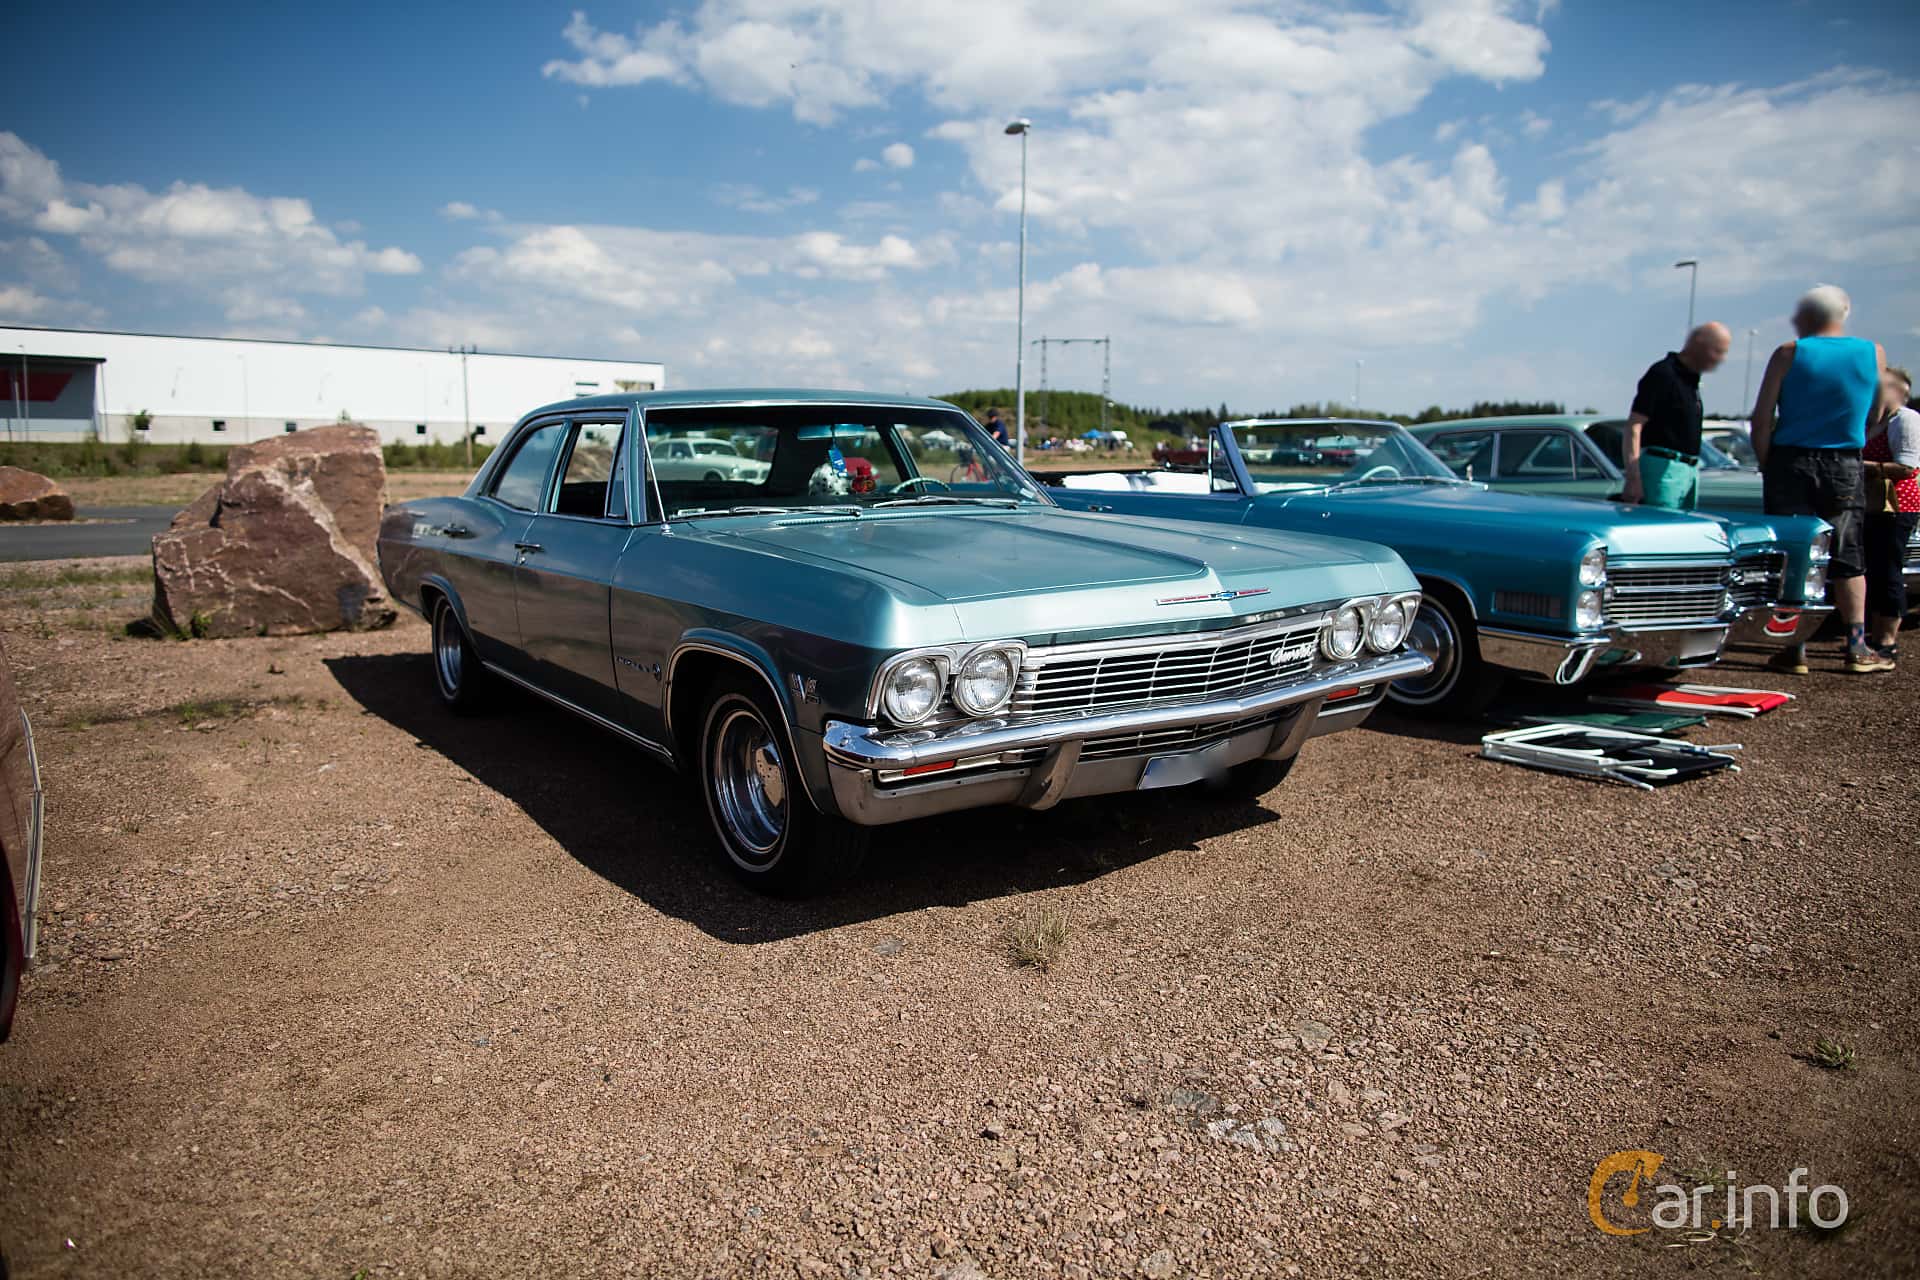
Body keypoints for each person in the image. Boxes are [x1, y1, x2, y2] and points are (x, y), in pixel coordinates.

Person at [1750, 284, 1889, 674]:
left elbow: (1761, 419)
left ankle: (1794, 648)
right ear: (1844, 312)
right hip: (1844, 460)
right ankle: (1857, 647)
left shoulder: (1789, 354)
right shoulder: (1872, 353)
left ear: (1806, 315)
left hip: (1790, 461)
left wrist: (1768, 462)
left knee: (1794, 552)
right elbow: (1878, 412)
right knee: (1848, 554)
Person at [1621, 323, 1731, 509]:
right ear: (1698, 343)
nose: (1720, 359)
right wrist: (1633, 477)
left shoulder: (1691, 381)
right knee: (1661, 531)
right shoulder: (1663, 373)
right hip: (1663, 470)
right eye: (1717, 351)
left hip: (1689, 472)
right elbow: (1635, 425)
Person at [1863, 365, 1919, 661]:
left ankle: (1888, 638)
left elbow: (1907, 467)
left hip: (1896, 505)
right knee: (1874, 568)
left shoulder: (1905, 420)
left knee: (1889, 570)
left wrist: (1862, 467)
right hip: (1873, 505)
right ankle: (1875, 634)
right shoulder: (1876, 421)